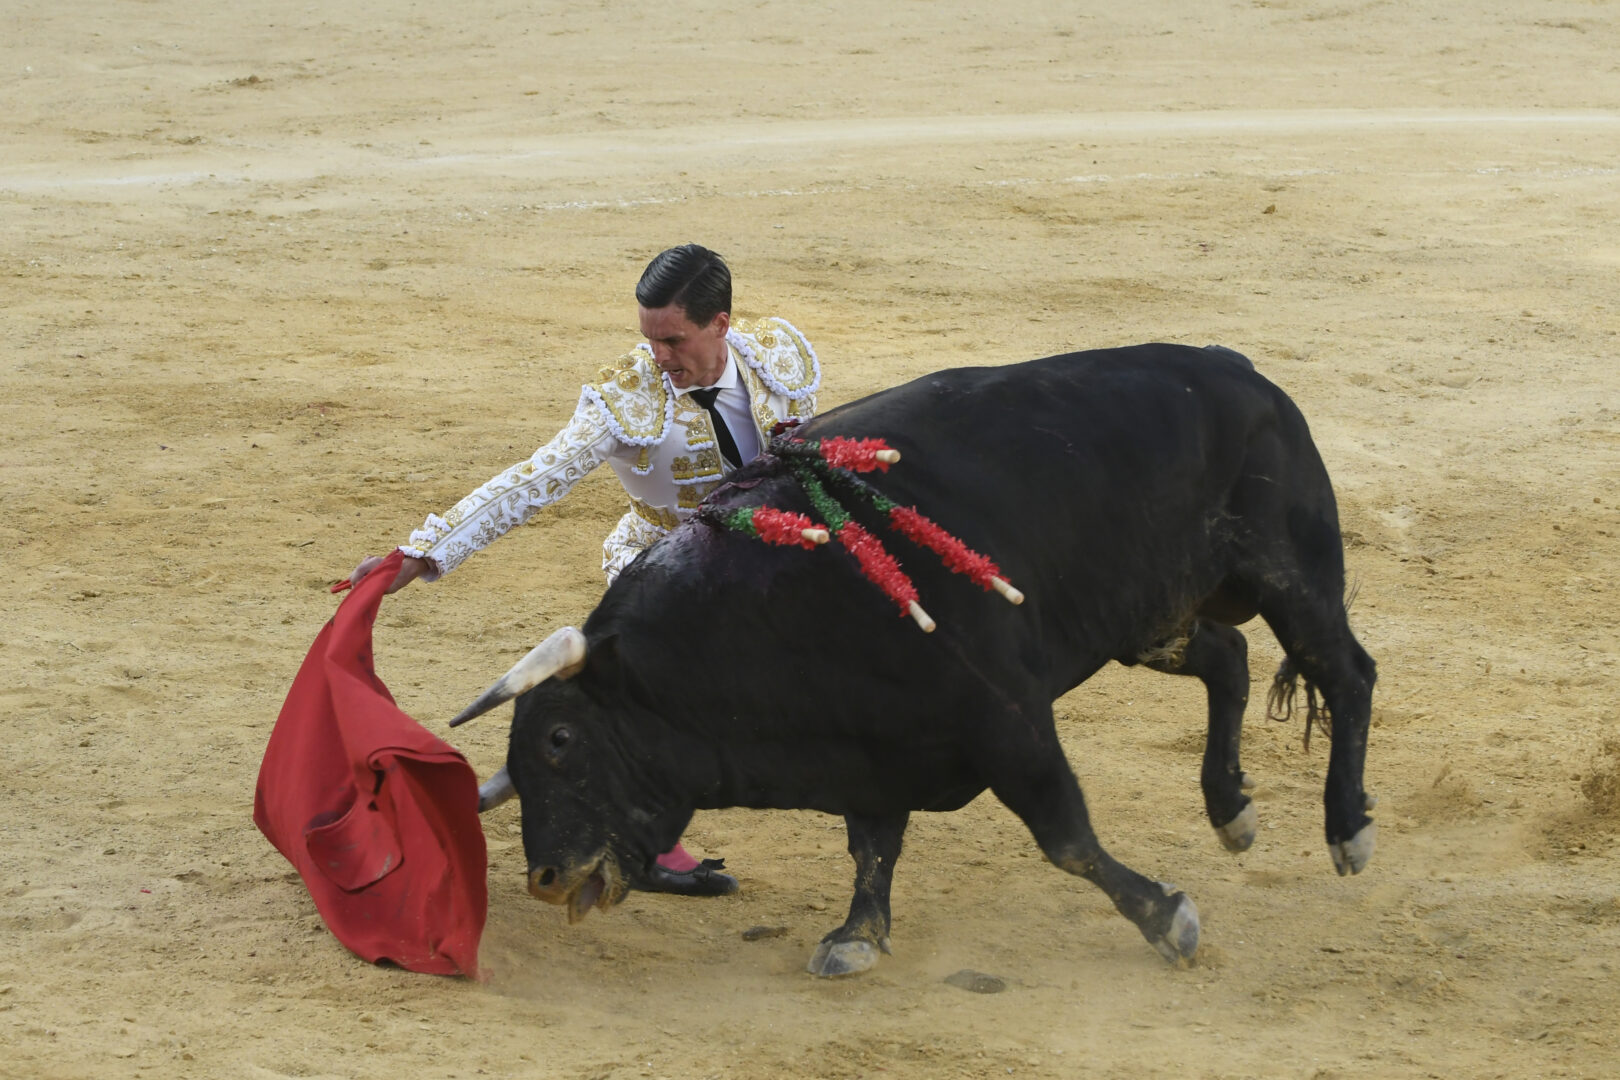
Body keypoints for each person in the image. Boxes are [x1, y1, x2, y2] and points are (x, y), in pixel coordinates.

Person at [348, 244, 820, 897]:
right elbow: (533, 479)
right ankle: (644, 842)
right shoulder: (623, 400)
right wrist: (423, 552)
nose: (659, 356)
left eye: (674, 340)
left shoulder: (778, 358)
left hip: (767, 563)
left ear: (721, 324)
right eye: (649, 338)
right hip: (660, 571)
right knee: (668, 705)